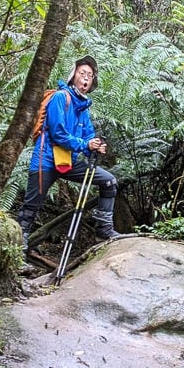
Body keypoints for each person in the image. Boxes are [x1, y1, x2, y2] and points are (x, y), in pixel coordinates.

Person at [19, 54, 120, 255]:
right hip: (46, 160)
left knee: (109, 181)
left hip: (68, 162)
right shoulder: (60, 98)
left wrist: (96, 144)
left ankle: (104, 230)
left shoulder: (83, 105)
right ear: (73, 75)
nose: (86, 78)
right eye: (82, 73)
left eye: (90, 76)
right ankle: (17, 252)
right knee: (31, 207)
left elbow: (88, 133)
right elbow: (58, 133)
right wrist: (86, 144)